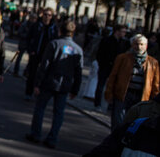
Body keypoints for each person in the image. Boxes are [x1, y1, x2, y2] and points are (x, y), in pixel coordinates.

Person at [26, 20, 83, 149]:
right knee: (58, 113)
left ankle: (36, 134)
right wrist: (75, 89)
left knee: (40, 108)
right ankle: (52, 138)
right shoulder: (78, 50)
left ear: (60, 31)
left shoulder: (54, 44)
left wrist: (37, 83)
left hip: (49, 82)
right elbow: (78, 71)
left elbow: (44, 65)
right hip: (65, 85)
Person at [106, 34, 160, 130]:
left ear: (146, 46)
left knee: (135, 122)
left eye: (141, 44)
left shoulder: (153, 63)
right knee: (118, 121)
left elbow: (155, 84)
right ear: (132, 45)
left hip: (141, 96)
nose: (139, 47)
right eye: (136, 44)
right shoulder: (123, 58)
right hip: (123, 94)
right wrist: (109, 93)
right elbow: (113, 76)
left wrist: (154, 100)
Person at [24, 8, 58, 100]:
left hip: (47, 55)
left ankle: (39, 92)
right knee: (32, 74)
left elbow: (56, 41)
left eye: (49, 15)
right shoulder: (36, 26)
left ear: (52, 17)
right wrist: (30, 50)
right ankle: (28, 92)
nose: (47, 17)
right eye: (45, 14)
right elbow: (28, 38)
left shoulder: (53, 28)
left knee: (44, 75)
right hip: (36, 53)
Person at [95, 24, 130, 110]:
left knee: (114, 87)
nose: (125, 34)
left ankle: (110, 106)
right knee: (101, 85)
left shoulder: (124, 43)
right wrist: (102, 64)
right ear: (117, 31)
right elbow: (100, 53)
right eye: (123, 31)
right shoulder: (107, 40)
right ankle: (97, 104)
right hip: (105, 66)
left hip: (116, 68)